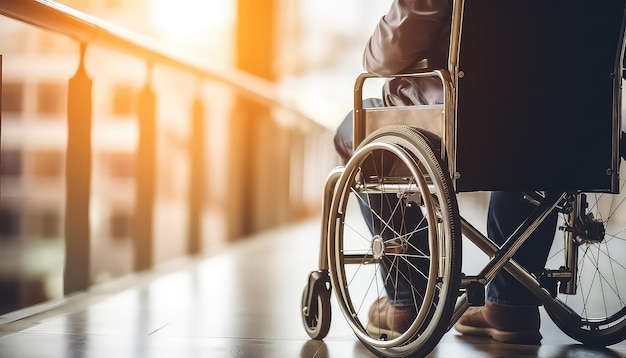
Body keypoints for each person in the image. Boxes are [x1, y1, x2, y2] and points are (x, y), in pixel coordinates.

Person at [333, 0, 558, 344]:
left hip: (459, 123)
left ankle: (408, 297)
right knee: (525, 144)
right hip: (558, 126)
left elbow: (383, 57)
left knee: (354, 133)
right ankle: (512, 302)